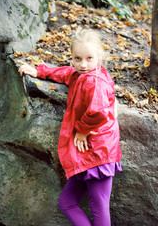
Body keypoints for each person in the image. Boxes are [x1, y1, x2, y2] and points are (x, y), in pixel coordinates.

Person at [18, 28, 122, 226]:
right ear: (72, 57)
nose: (83, 64)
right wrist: (40, 71)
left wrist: (82, 131)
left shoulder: (96, 82)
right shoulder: (80, 73)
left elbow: (99, 112)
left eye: (89, 58)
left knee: (99, 206)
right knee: (66, 203)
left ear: (99, 57)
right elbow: (66, 73)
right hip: (85, 157)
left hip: (99, 154)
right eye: (77, 58)